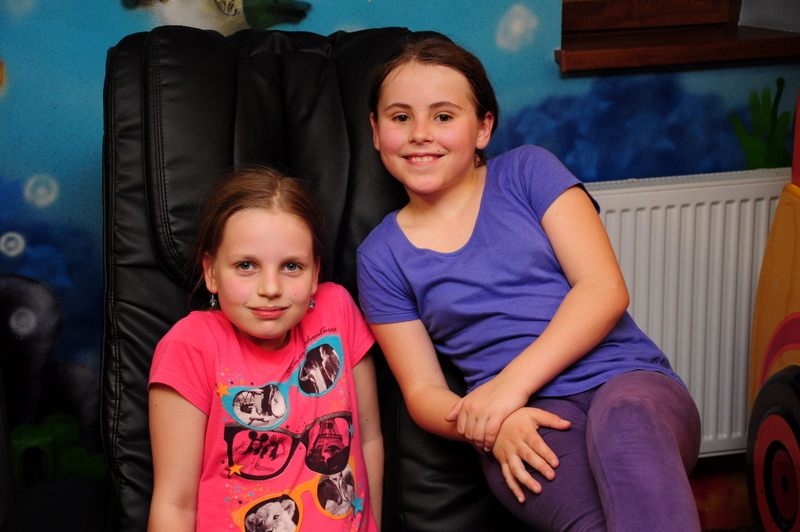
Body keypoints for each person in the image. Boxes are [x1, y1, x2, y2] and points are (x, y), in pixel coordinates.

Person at [356, 37, 701, 532]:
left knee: (626, 420)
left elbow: (603, 288)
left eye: (444, 116)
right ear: (376, 131)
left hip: (627, 380)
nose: (420, 134)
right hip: (521, 420)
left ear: (483, 127)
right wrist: (489, 425)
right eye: (401, 117)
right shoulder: (380, 256)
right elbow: (423, 390)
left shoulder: (528, 171)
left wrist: (508, 387)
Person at [148, 166, 383, 532]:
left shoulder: (337, 311)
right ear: (211, 272)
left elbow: (368, 440)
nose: (270, 288)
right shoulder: (190, 345)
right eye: (246, 266)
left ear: (315, 272)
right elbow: (174, 504)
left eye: (291, 266)